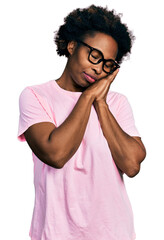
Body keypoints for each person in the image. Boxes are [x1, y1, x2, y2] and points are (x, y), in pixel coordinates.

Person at [18, 5, 146, 240]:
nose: (98, 68)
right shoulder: (36, 96)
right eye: (94, 55)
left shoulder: (117, 103)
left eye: (108, 63)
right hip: (56, 233)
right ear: (72, 45)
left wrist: (102, 104)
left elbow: (132, 165)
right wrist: (88, 97)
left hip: (114, 233)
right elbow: (56, 154)